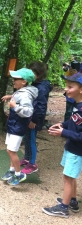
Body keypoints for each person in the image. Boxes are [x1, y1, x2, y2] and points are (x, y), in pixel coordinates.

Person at [42, 73, 82, 218]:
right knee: (71, 176)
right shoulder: (77, 105)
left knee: (67, 177)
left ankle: (63, 208)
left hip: (77, 151)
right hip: (71, 147)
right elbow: (74, 122)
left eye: (70, 87)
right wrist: (62, 124)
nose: (66, 89)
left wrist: (63, 132)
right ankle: (72, 201)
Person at [1, 68, 38, 185]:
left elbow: (28, 111)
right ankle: (12, 170)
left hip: (18, 126)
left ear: (24, 82)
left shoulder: (26, 94)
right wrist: (10, 96)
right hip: (13, 124)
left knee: (11, 151)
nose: (13, 81)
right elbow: (18, 96)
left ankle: (19, 174)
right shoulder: (20, 91)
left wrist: (15, 106)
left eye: (16, 79)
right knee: (11, 149)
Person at [20, 61, 53, 174]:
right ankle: (27, 158)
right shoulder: (32, 84)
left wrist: (34, 120)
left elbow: (41, 106)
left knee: (32, 139)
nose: (31, 74)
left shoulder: (42, 87)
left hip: (34, 119)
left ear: (39, 74)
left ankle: (32, 164)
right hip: (28, 116)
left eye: (33, 72)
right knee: (26, 137)